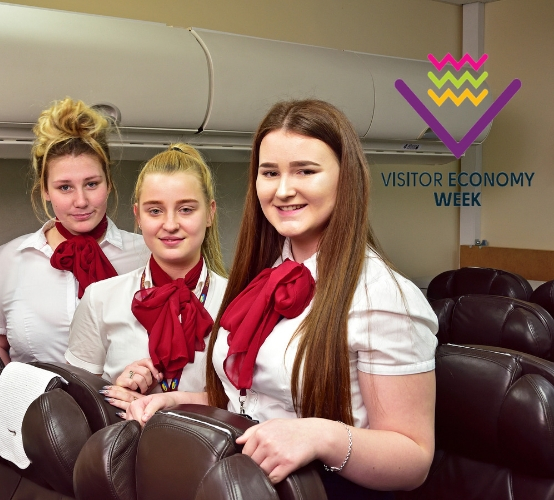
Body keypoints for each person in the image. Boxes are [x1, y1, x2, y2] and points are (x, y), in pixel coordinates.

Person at [127, 100, 438, 496]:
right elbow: (262, 401)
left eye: (305, 171)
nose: (284, 190)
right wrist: (183, 403)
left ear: (347, 179)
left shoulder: (383, 297)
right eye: (270, 173)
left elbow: (412, 458)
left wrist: (320, 436)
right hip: (252, 482)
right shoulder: (266, 276)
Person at [0, 98, 148, 364]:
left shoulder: (145, 254)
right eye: (65, 187)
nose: (80, 201)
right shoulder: (6, 261)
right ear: (45, 190)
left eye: (91, 184)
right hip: (35, 403)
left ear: (109, 183)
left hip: (122, 404)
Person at [66, 144, 228, 413]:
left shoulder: (238, 300)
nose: (170, 224)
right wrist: (115, 388)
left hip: (213, 451)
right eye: (155, 211)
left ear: (210, 213)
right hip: (126, 449)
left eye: (186, 209)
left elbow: (255, 403)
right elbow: (76, 403)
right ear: (138, 216)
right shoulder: (100, 298)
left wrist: (176, 400)